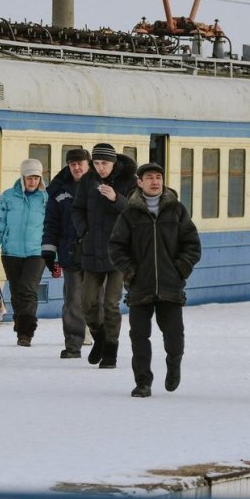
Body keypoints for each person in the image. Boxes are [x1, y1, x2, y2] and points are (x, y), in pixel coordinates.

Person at [109, 163, 202, 398]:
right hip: (140, 286)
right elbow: (116, 247)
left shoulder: (177, 210)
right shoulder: (129, 214)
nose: (155, 181)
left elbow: (192, 245)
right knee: (139, 336)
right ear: (139, 182)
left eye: (158, 177)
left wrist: (179, 269)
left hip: (171, 286)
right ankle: (143, 382)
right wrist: (130, 272)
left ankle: (174, 364)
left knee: (174, 336)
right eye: (149, 177)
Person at [71, 143, 138, 369]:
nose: (100, 168)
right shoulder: (89, 181)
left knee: (110, 303)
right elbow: (77, 209)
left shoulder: (129, 181)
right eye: (96, 163)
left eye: (105, 164)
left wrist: (116, 198)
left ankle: (111, 347)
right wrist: (83, 232)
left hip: (118, 252)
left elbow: (135, 213)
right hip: (92, 249)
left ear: (114, 163)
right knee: (87, 301)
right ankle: (99, 337)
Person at [42, 147, 93, 358]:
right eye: (73, 164)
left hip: (97, 253)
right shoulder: (59, 190)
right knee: (72, 301)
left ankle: (105, 343)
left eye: (81, 163)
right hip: (70, 253)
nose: (77, 167)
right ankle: (73, 345)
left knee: (97, 302)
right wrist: (48, 251)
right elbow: (51, 223)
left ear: (88, 165)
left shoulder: (101, 186)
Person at [0, 158, 48, 346]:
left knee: (28, 289)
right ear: (22, 177)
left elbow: (52, 226)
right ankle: (21, 323)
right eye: (29, 178)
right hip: (11, 252)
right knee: (16, 291)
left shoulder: (46, 198)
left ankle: (26, 332)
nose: (33, 182)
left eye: (36, 178)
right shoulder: (8, 197)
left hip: (36, 252)